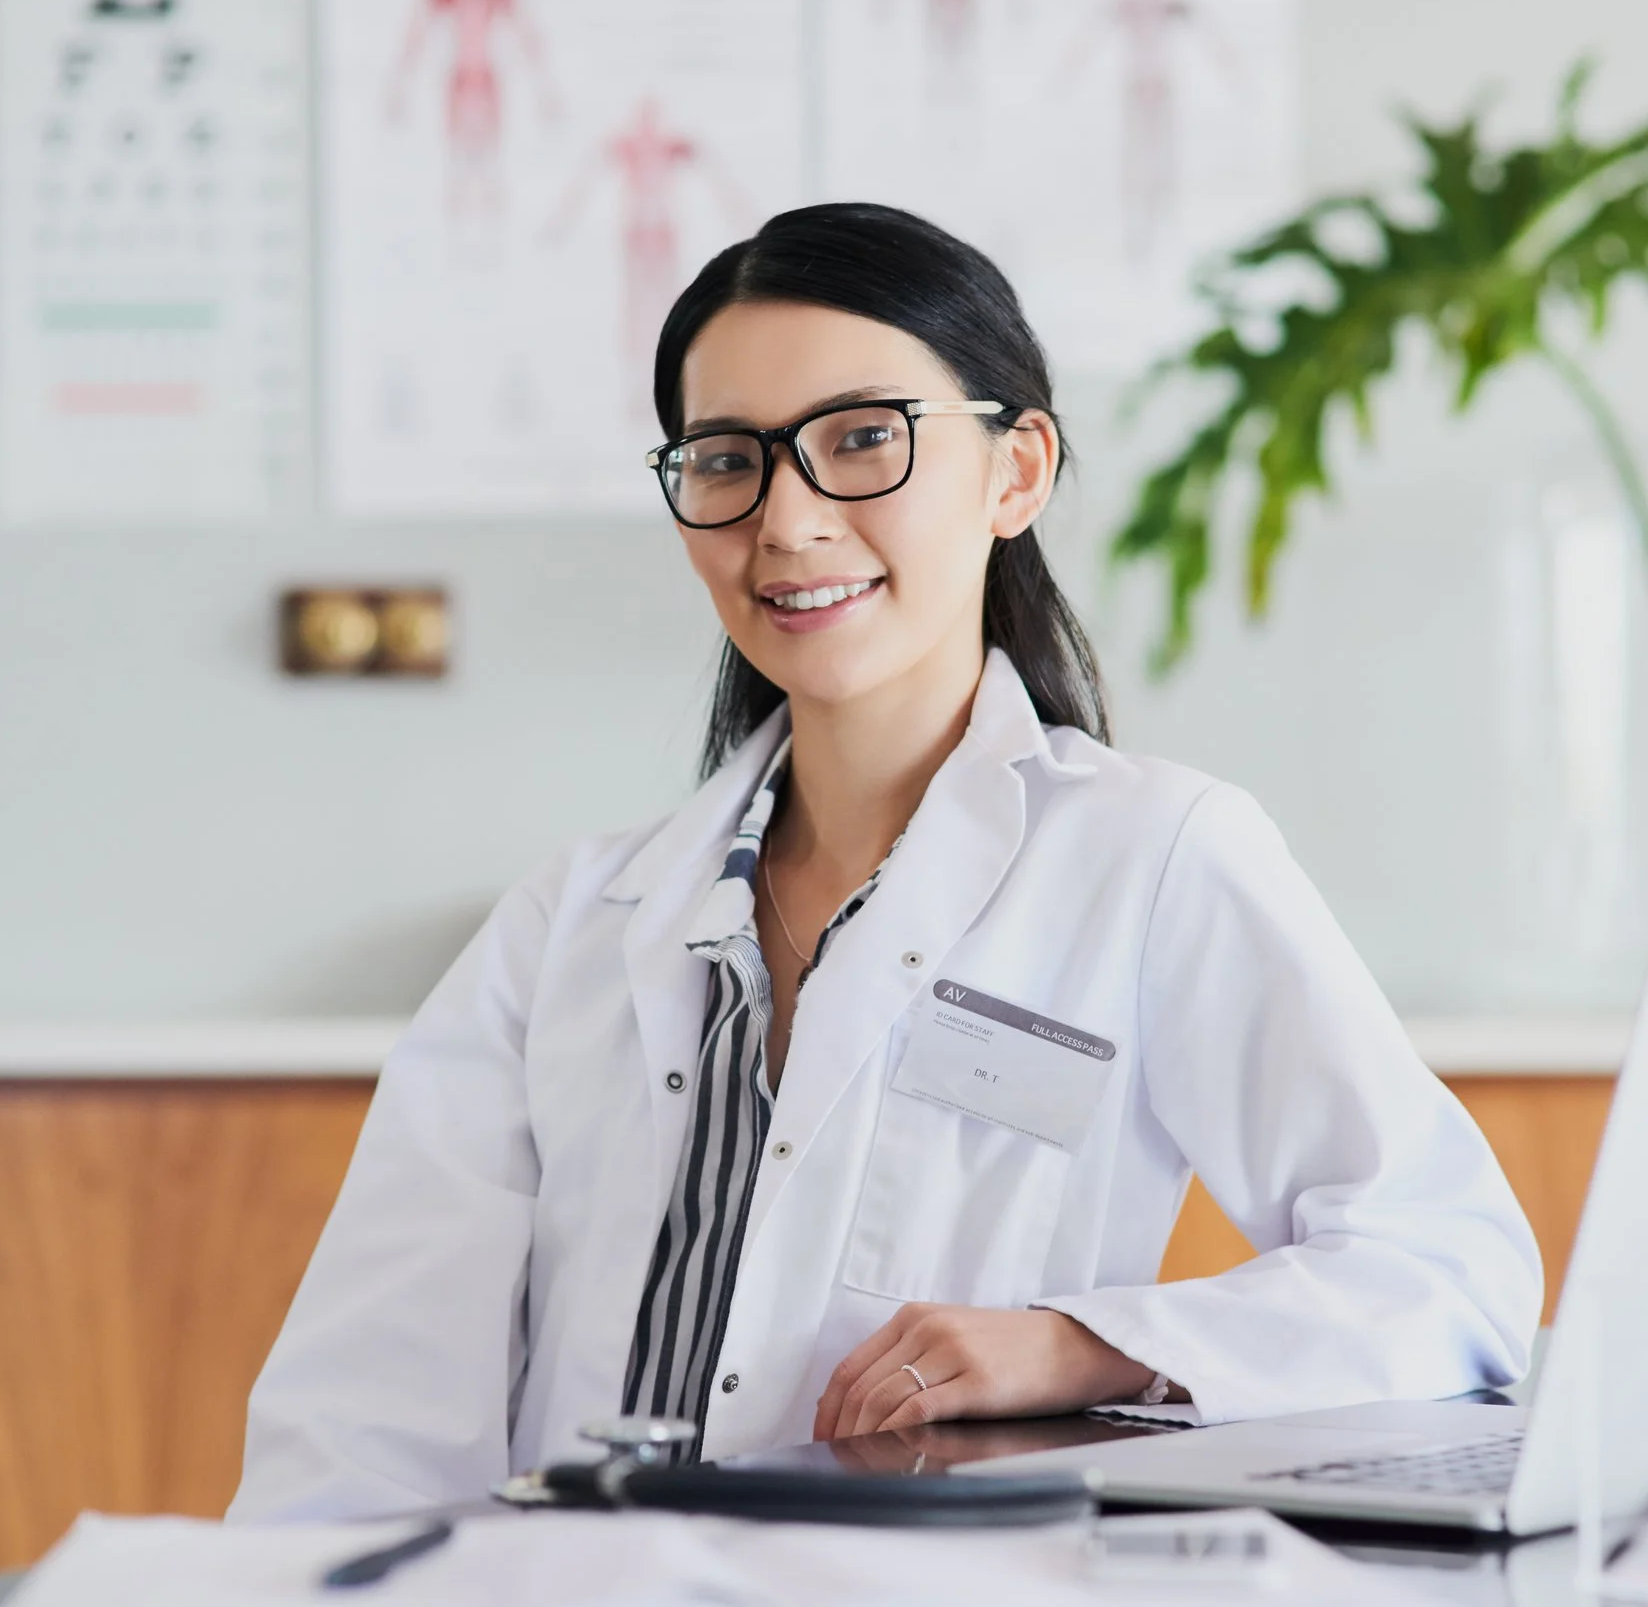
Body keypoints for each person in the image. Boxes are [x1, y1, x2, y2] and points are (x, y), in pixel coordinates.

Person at [229, 203, 1542, 1521]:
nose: (787, 522)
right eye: (728, 459)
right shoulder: (567, 927)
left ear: (1014, 473)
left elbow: (1449, 1273)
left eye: (862, 440)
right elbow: (362, 1422)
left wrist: (1076, 1343)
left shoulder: (1153, 859)